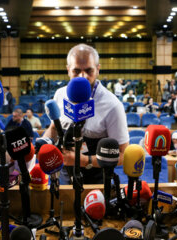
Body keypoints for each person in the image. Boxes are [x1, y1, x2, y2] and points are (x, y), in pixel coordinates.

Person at [43, 43, 129, 184]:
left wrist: (83, 161)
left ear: (98, 69)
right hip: (64, 174)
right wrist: (44, 142)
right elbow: (53, 128)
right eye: (76, 71)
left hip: (96, 179)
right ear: (68, 70)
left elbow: (123, 155)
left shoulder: (113, 105)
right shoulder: (60, 94)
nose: (83, 76)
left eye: (89, 70)